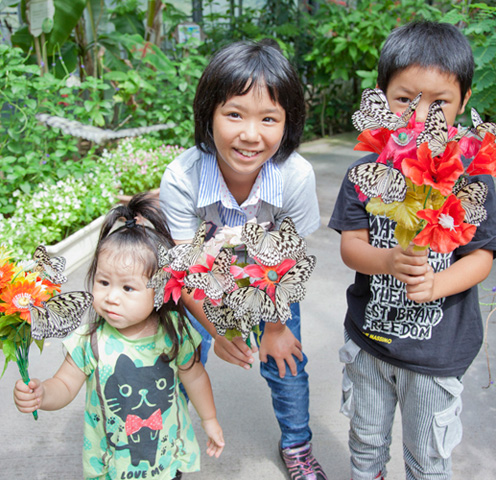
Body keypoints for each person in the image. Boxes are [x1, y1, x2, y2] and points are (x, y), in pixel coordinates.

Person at [329, 21, 496, 480]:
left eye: (439, 102)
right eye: (405, 98)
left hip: (436, 356)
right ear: (381, 95)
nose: (420, 114)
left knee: (428, 460)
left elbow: (481, 257)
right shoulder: (367, 169)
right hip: (369, 345)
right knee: (365, 446)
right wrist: (388, 261)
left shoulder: (471, 177)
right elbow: (352, 246)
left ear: (463, 101)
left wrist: (436, 285)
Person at [159, 40, 325, 480]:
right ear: (208, 114)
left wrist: (274, 328)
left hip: (272, 283)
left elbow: (290, 262)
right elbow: (182, 270)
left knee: (287, 362)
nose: (251, 135)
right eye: (234, 114)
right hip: (202, 284)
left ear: (287, 124)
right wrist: (216, 329)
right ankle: (166, 445)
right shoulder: (182, 177)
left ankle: (298, 444)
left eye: (269, 118)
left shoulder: (295, 176)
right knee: (180, 356)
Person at [13, 193, 225, 480]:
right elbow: (64, 384)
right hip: (111, 463)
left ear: (160, 289)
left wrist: (209, 419)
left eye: (128, 288)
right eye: (103, 282)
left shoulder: (172, 332)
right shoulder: (90, 340)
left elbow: (194, 376)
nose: (111, 297)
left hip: (166, 459)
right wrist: (42, 395)